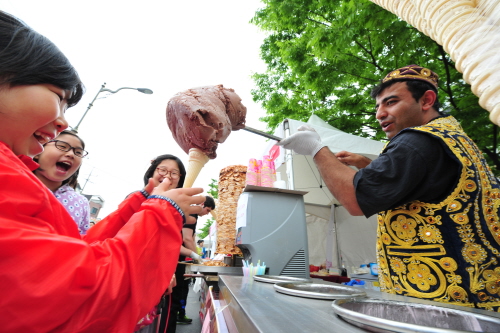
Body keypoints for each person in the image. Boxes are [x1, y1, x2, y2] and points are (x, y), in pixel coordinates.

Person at [0, 10, 204, 332]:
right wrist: (160, 213)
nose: (63, 122)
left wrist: (144, 207)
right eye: (58, 98)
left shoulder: (21, 175)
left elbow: (79, 252)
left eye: (173, 174)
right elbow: (82, 291)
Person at [278, 64, 500, 311]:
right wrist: (368, 166)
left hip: (445, 303)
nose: (380, 114)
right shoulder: (455, 139)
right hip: (484, 295)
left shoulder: (416, 140)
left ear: (427, 100)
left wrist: (316, 149)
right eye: (378, 107)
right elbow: (423, 186)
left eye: (391, 102)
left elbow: (354, 199)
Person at [34, 130, 91, 235]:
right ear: (38, 151)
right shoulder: (13, 181)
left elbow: (83, 240)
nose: (71, 154)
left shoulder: (82, 202)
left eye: (78, 152)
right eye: (62, 146)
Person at [174, 196, 216, 327]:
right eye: (207, 210)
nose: (207, 214)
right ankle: (175, 316)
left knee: (181, 289)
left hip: (179, 257)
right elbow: (187, 239)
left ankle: (177, 314)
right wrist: (197, 258)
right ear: (202, 204)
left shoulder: (191, 214)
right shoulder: (191, 213)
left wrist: (196, 256)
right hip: (176, 258)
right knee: (178, 289)